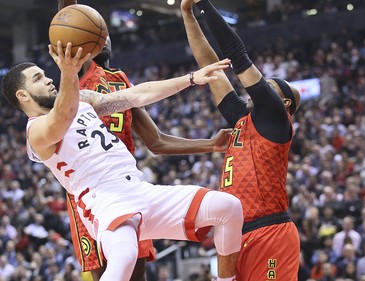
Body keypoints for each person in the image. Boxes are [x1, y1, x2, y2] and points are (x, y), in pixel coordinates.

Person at [2, 41, 243, 281]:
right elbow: (63, 116)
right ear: (22, 95)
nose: (48, 80)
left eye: (45, 75)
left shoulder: (83, 99)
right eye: (38, 78)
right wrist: (68, 73)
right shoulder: (36, 132)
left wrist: (191, 78)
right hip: (104, 201)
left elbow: (137, 95)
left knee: (228, 208)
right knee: (124, 258)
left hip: (138, 188)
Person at [56, 2, 232, 280]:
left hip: (123, 189)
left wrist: (210, 144)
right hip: (91, 193)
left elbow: (156, 141)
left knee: (128, 273)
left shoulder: (119, 80)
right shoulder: (75, 77)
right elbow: (65, 27)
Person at [180, 0, 301, 280]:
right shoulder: (240, 119)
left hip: (269, 233)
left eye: (267, 85)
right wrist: (187, 14)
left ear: (282, 101)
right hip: (235, 236)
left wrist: (203, 5)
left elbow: (237, 54)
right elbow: (210, 68)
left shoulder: (275, 117)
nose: (257, 85)